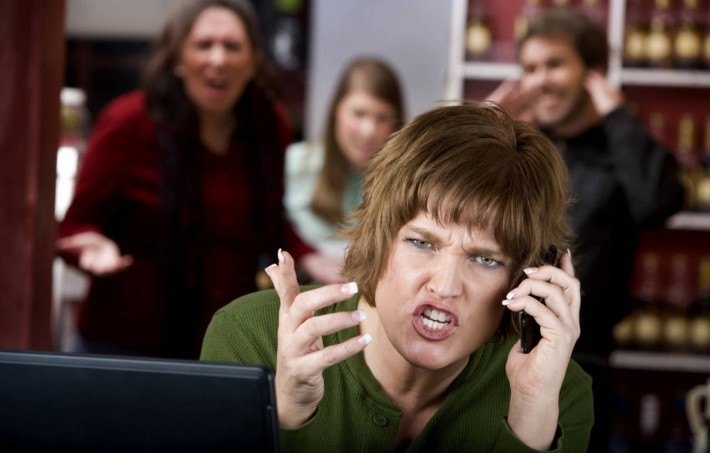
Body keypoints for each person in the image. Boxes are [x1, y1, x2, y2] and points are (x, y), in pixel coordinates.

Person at [201, 103, 594, 452]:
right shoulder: (251, 336)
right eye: (422, 242)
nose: (444, 286)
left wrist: (530, 412)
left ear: (527, 276)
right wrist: (289, 417)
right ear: (378, 238)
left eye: (486, 260)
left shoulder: (556, 391)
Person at [55, 0, 329, 360]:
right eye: (204, 45)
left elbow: (267, 223)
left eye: (232, 46)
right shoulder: (130, 122)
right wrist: (90, 245)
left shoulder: (269, 125)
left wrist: (309, 255)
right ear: (178, 59)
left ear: (251, 63)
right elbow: (73, 227)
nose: (218, 59)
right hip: (122, 348)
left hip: (223, 341)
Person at [486, 7, 685, 451]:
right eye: (531, 68)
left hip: (584, 355)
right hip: (491, 349)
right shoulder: (524, 150)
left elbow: (656, 204)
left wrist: (617, 115)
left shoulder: (623, 151)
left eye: (555, 64)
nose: (541, 80)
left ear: (592, 73)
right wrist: (487, 120)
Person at [284, 57, 405, 283]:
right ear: (336, 112)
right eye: (359, 114)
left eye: (382, 118)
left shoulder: (404, 183)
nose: (368, 130)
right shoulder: (292, 164)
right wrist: (305, 259)